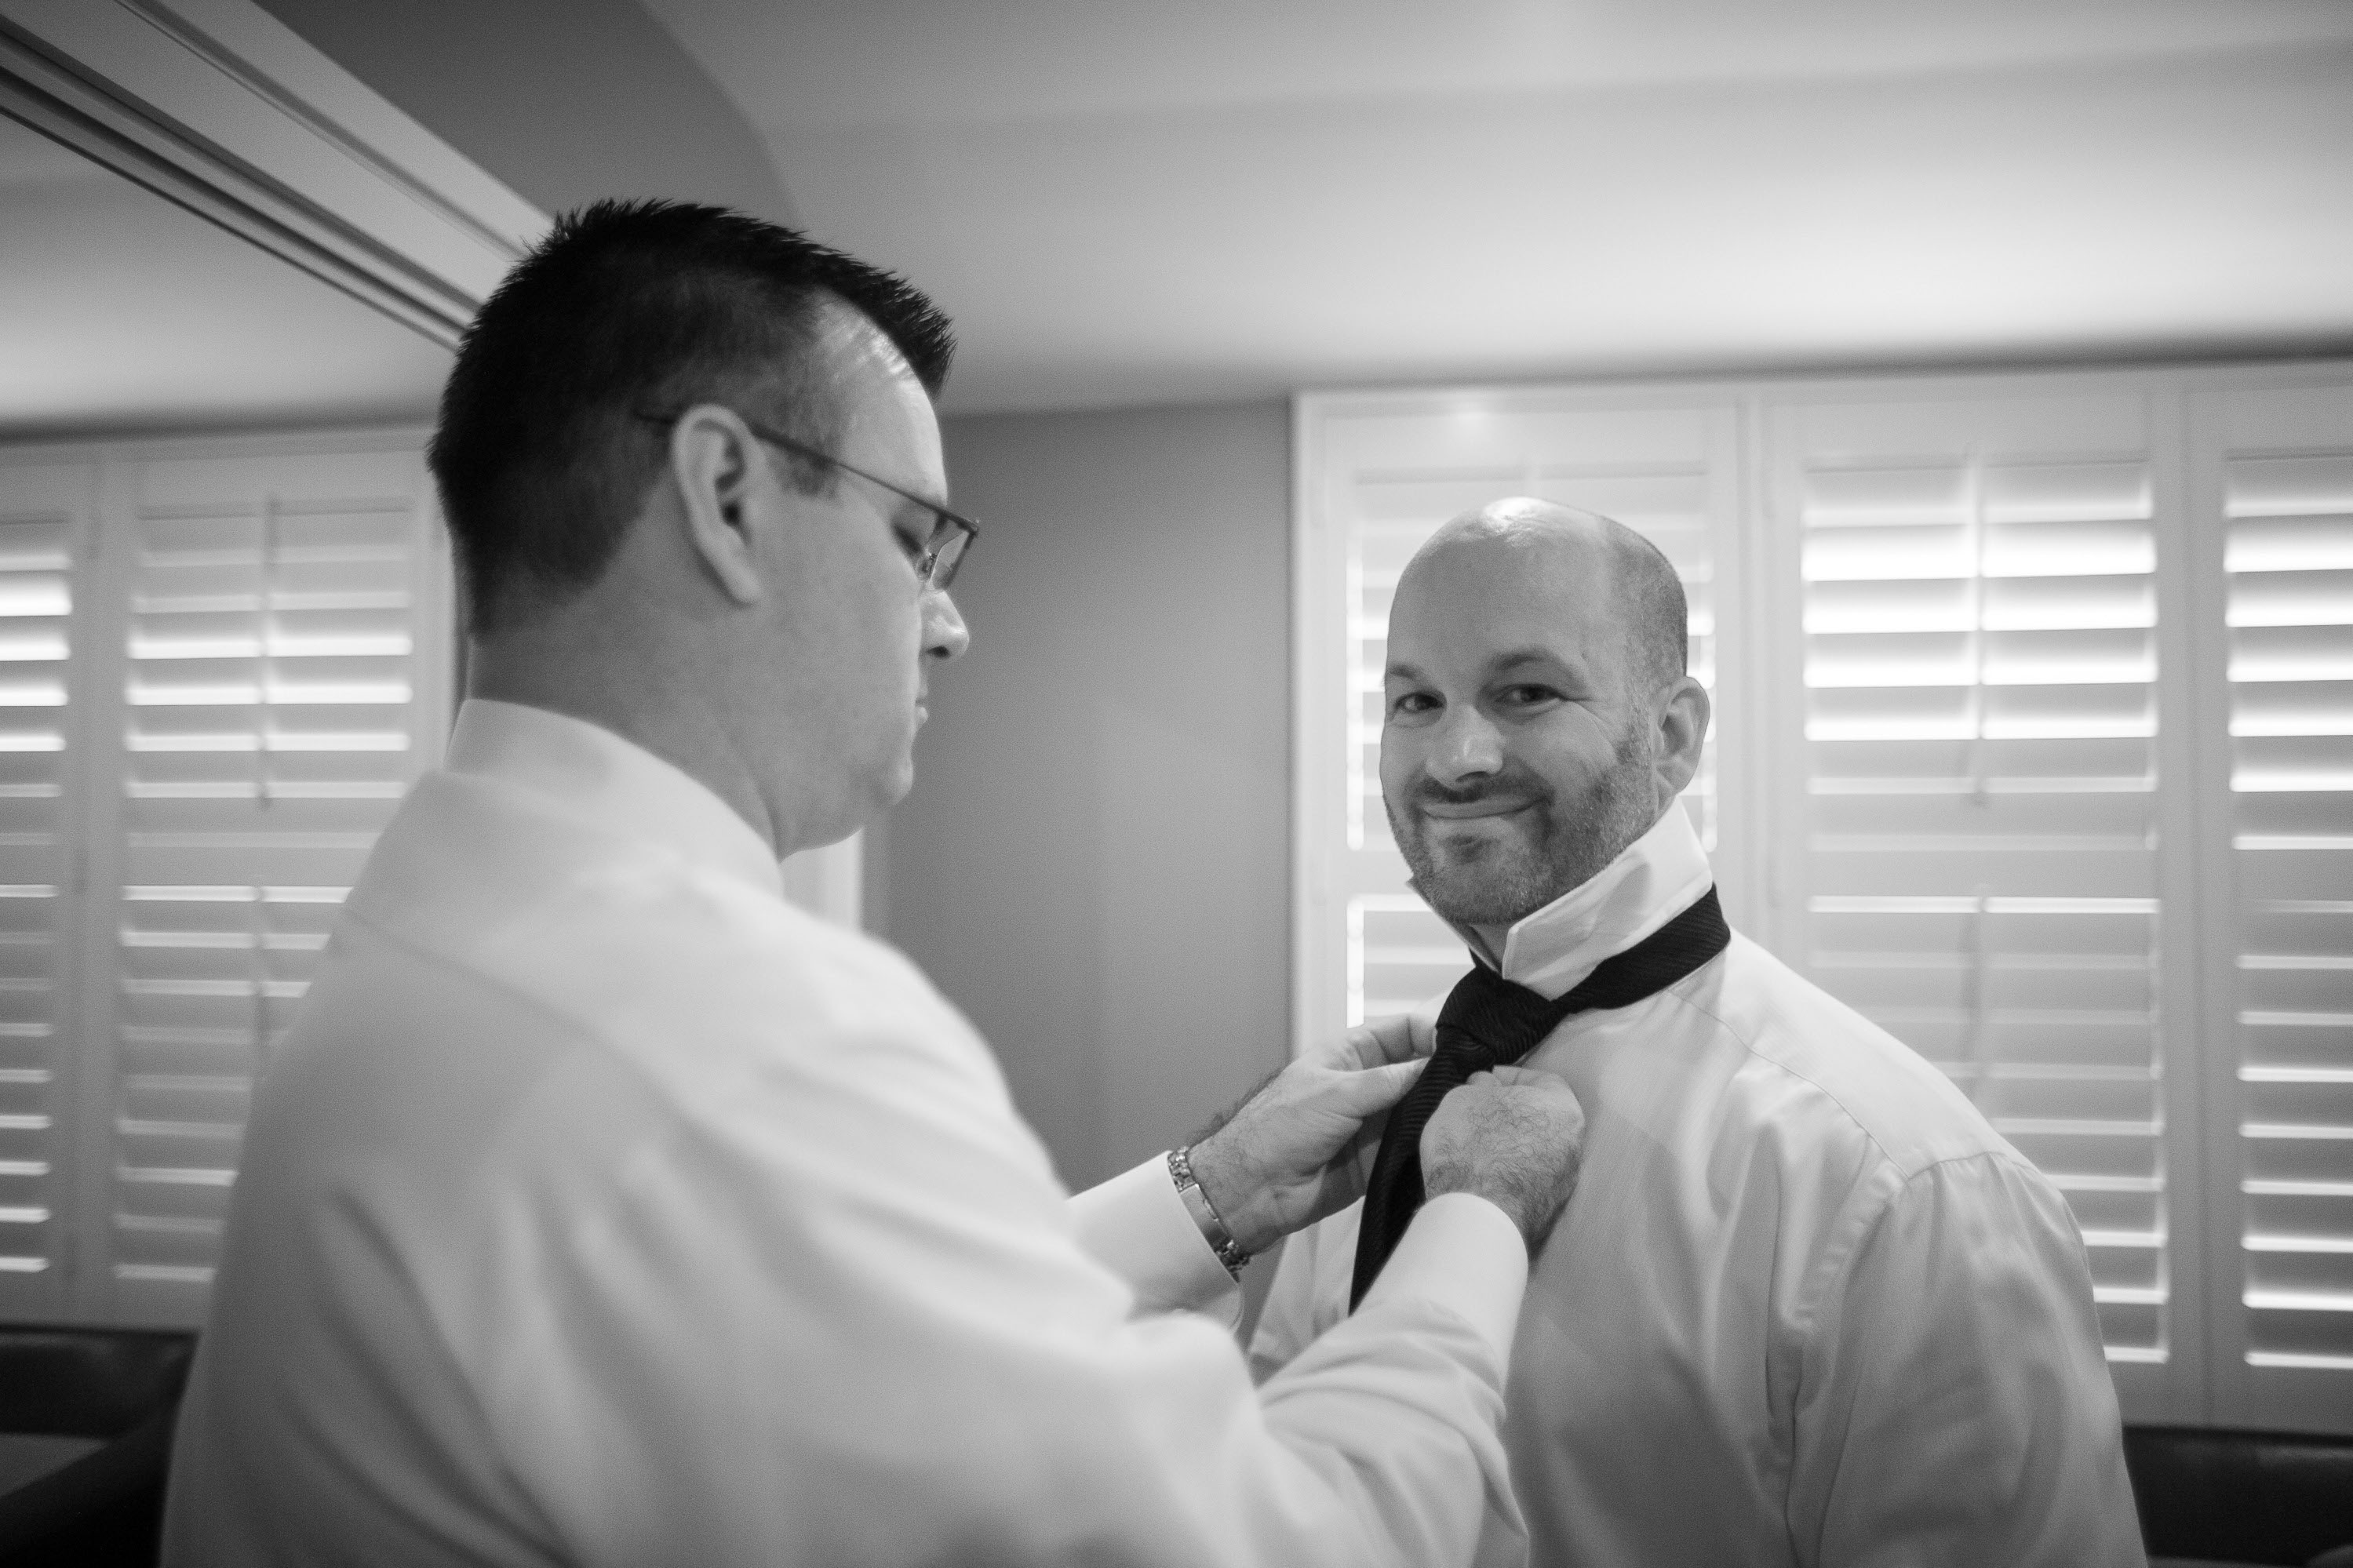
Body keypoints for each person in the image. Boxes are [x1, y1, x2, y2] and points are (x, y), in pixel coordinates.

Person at [160, 202, 1587, 1567]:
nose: (951, 628)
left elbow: (807, 1333)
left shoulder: (453, 931)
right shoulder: (729, 1038)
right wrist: (1474, 1217)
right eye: (918, 539)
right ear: (726, 496)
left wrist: (1208, 1194)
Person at [1251, 498, 2147, 1566]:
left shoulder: (1909, 1187)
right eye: (1415, 700)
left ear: (1672, 737)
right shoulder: (1364, 1125)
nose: (1455, 756)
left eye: (1525, 692)